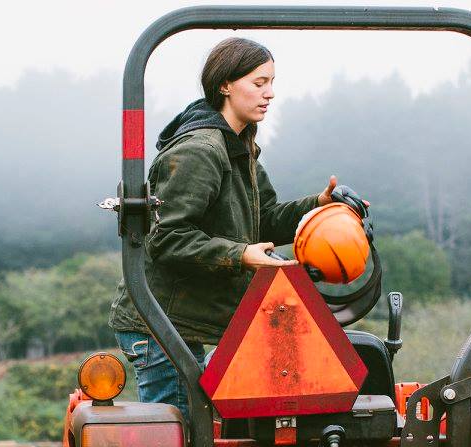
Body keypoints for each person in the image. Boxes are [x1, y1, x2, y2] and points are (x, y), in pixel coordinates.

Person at [109, 37, 362, 419]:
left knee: (212, 429)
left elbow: (266, 219)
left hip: (189, 320)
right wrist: (241, 255)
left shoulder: (239, 148)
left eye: (272, 82)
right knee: (182, 442)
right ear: (225, 84)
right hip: (162, 321)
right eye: (259, 83)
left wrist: (320, 206)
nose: (270, 93)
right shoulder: (200, 151)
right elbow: (167, 239)